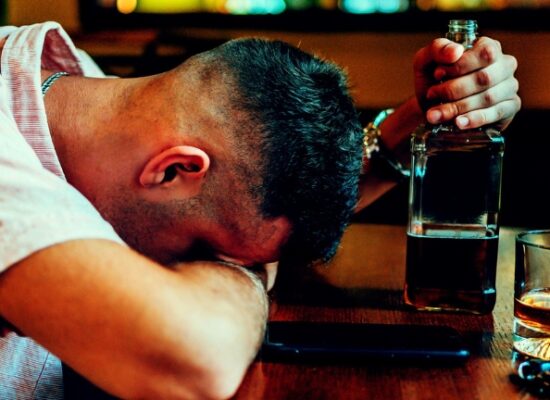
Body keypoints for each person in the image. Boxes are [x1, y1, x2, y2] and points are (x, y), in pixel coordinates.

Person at [0, 21, 519, 399]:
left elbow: (244, 204)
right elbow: (194, 360)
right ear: (173, 169)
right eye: (206, 253)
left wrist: (415, 124)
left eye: (221, 261)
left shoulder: (79, 97)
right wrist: (245, 273)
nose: (207, 268)